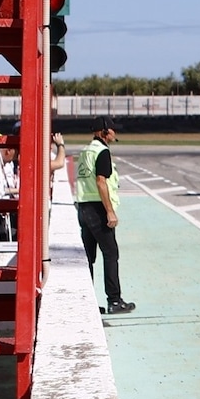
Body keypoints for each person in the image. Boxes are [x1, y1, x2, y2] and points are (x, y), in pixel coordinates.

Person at [75, 119, 130, 315]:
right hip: (97, 209)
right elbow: (101, 182)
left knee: (88, 257)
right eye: (113, 130)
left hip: (83, 207)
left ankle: (86, 302)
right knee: (111, 253)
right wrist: (109, 211)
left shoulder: (85, 151)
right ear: (104, 132)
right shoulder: (102, 152)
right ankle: (114, 300)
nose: (115, 133)